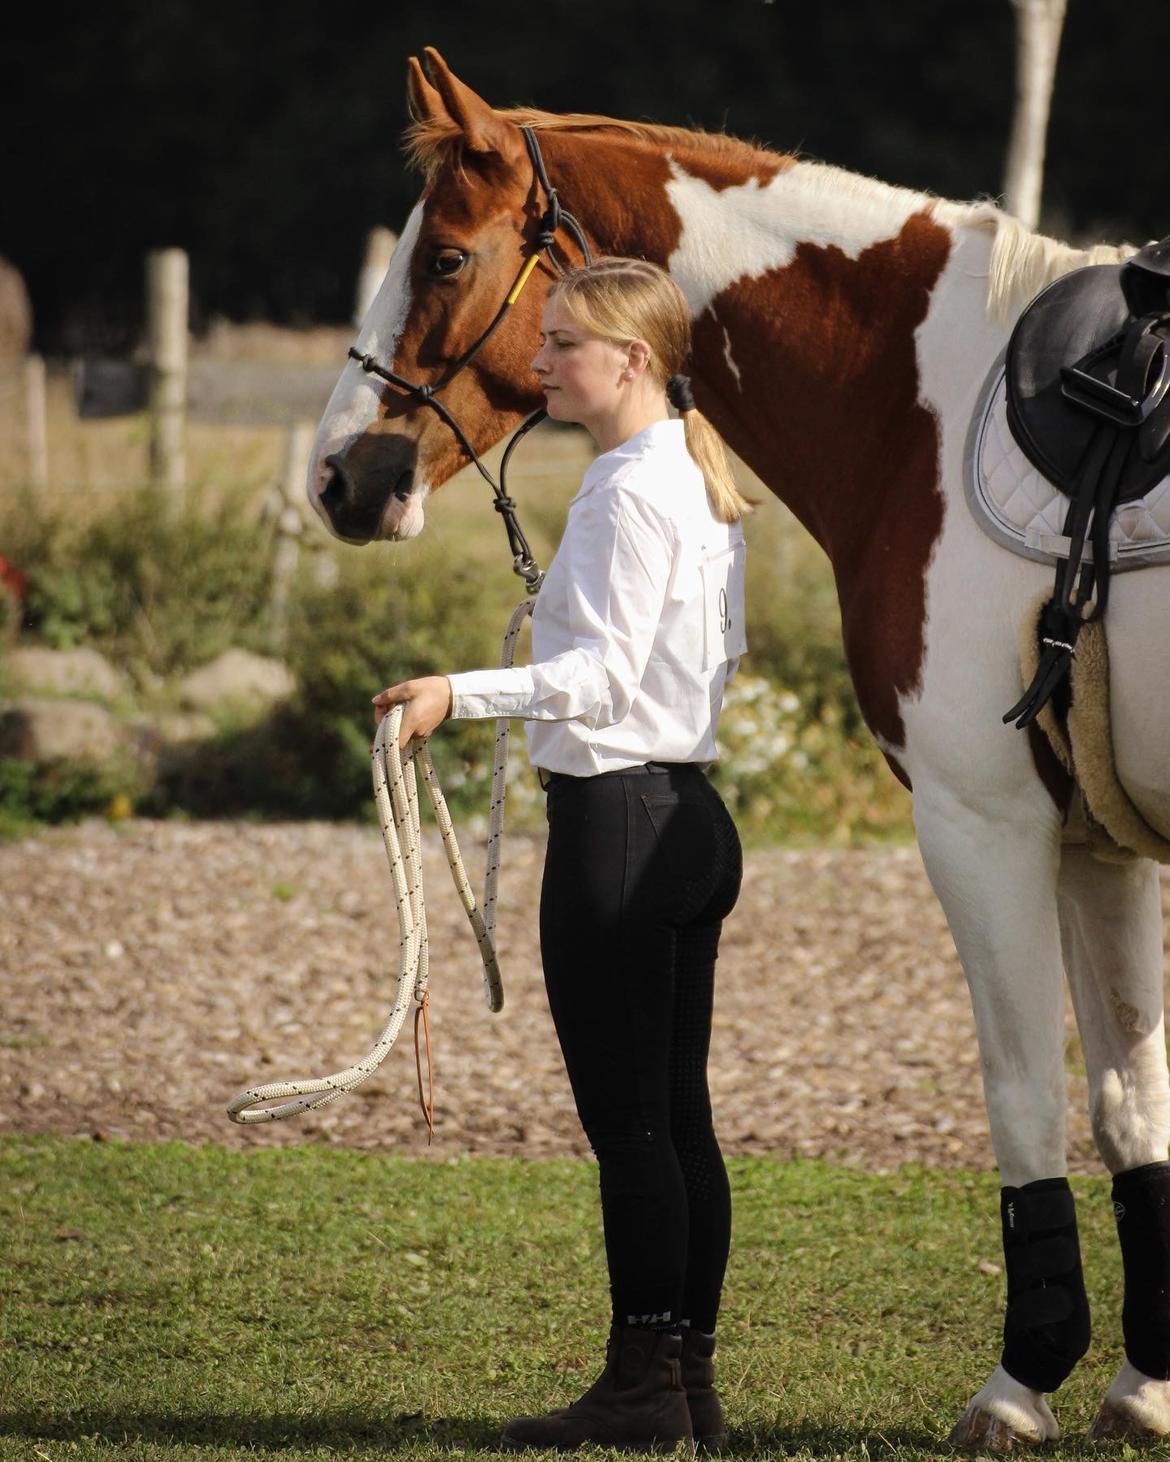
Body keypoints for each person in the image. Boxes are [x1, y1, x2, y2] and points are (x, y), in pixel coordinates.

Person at [373, 255, 752, 1452]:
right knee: (675, 1120)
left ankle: (646, 1391)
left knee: (637, 1126)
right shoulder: (687, 475)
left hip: (624, 830)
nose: (537, 363)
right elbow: (705, 661)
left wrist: (452, 689)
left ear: (631, 360)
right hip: (685, 817)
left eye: (563, 346)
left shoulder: (629, 489)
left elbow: (599, 679)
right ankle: (680, 1385)